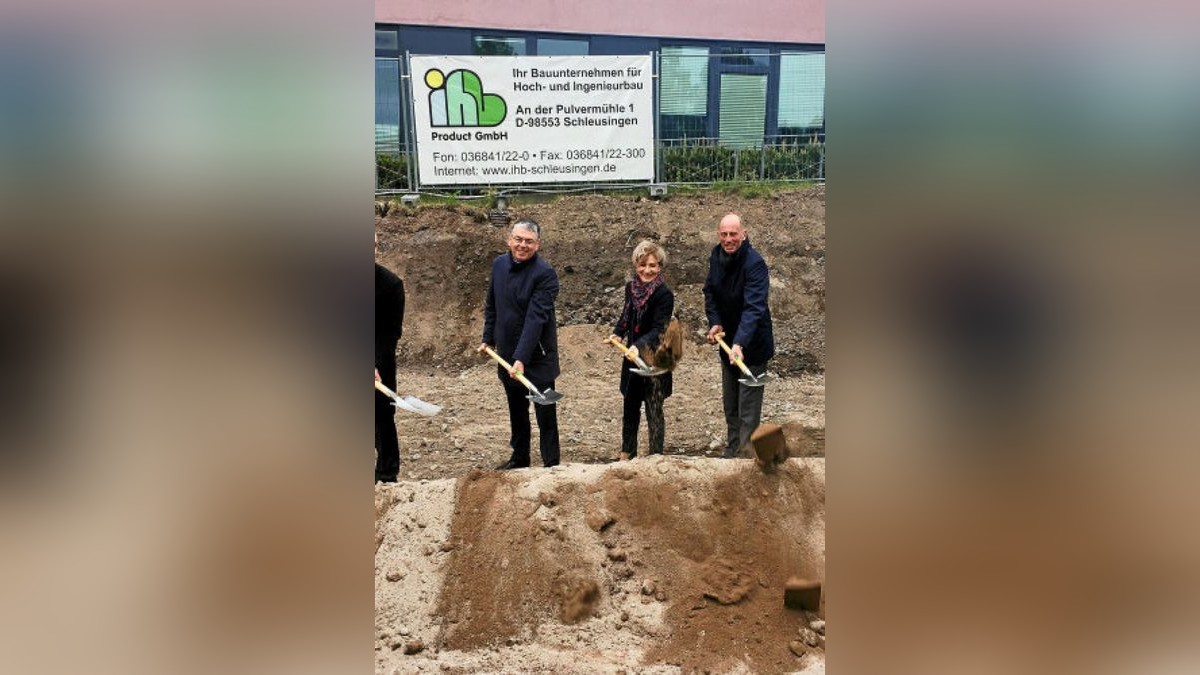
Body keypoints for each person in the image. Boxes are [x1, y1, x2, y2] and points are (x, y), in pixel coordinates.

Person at [478, 219, 561, 470]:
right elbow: (492, 304)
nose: (522, 245)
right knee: (517, 409)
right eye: (518, 239)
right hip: (507, 353)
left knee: (545, 411)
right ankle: (520, 458)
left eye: (529, 241)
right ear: (509, 239)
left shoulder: (545, 275)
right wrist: (487, 338)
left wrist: (522, 358)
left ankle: (551, 463)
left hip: (538, 355)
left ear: (538, 245)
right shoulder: (499, 265)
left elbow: (536, 319)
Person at [703, 213, 775, 458]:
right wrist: (715, 323)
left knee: (748, 408)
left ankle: (746, 458)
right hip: (728, 345)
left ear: (743, 234)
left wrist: (740, 342)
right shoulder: (716, 256)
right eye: (724, 234)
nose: (728, 239)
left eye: (733, 234)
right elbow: (710, 293)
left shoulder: (755, 264)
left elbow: (754, 307)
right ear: (718, 235)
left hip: (751, 346)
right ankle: (732, 449)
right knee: (731, 405)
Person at [608, 240, 674, 460]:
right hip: (632, 357)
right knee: (630, 405)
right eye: (643, 265)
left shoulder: (664, 294)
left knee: (654, 408)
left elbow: (659, 329)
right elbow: (627, 315)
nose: (647, 270)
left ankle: (656, 455)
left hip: (655, 358)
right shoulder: (631, 288)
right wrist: (618, 332)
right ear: (636, 265)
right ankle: (628, 451)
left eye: (653, 265)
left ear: (660, 267)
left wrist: (638, 346)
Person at [375, 231, 406, 483]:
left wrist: (373, 363)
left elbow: (389, 333)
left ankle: (386, 474)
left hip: (378, 361)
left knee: (382, 415)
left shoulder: (390, 285)